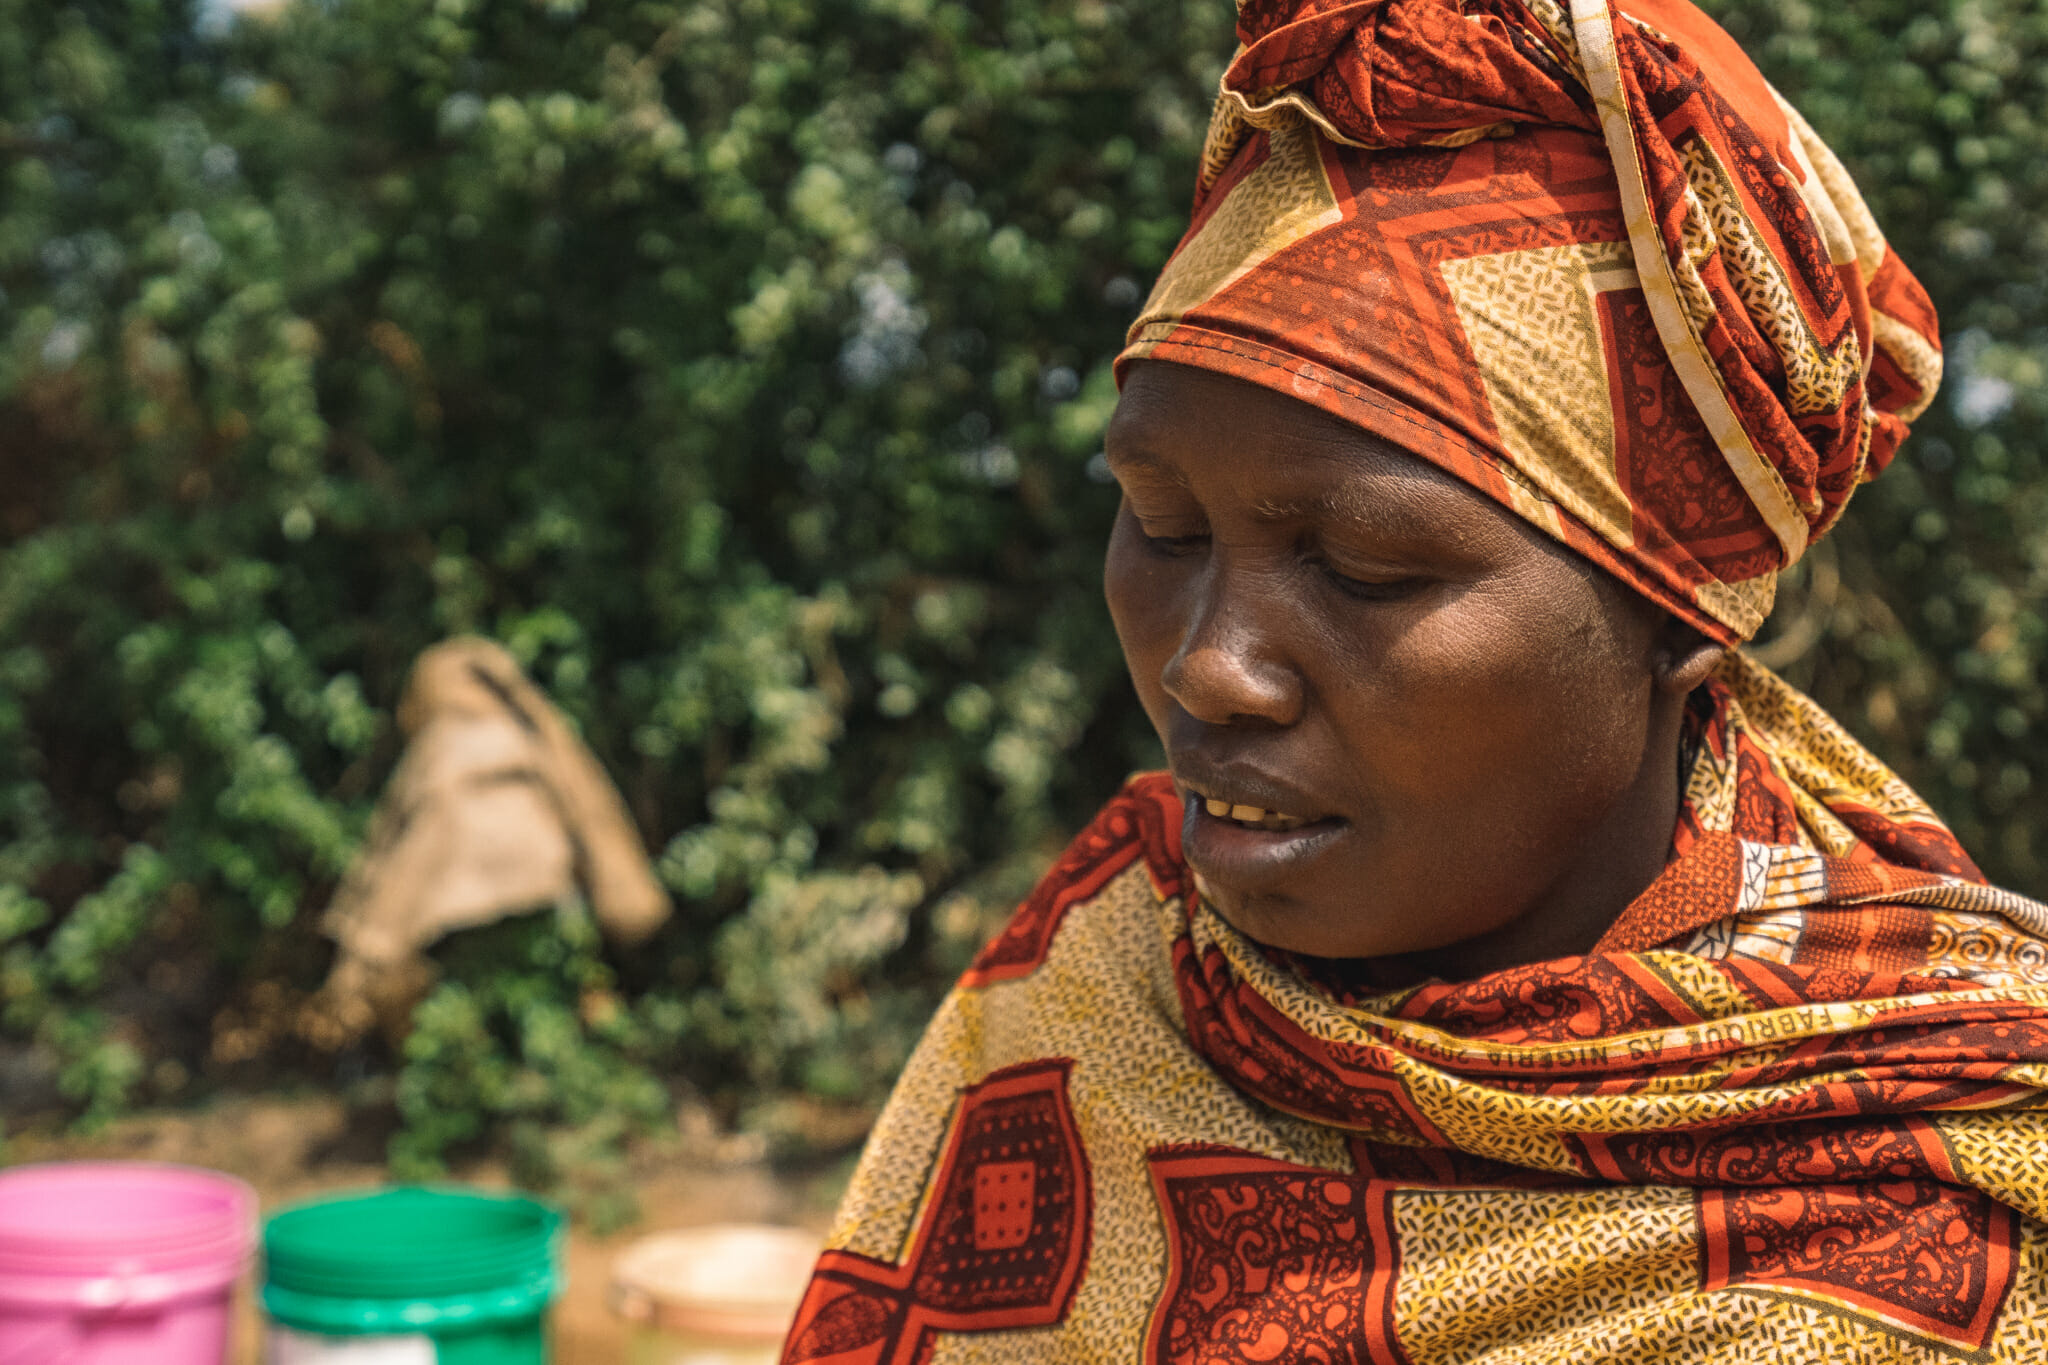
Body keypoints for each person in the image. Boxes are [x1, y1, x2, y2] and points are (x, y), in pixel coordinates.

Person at [780, 0, 2048, 1359]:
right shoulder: (1108, 963)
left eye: (1365, 570)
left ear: (1684, 613)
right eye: (1164, 526)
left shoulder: (1923, 1212)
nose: (1209, 669)